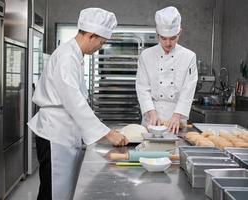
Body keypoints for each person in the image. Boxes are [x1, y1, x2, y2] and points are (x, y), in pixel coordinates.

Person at [27, 7, 129, 200]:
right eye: (101, 42)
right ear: (91, 36)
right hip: (54, 134)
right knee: (52, 191)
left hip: (62, 132)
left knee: (59, 189)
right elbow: (74, 102)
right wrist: (107, 133)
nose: (101, 47)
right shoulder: (67, 57)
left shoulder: (75, 55)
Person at [136, 6, 198, 134]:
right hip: (152, 117)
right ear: (157, 35)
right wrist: (151, 112)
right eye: (163, 38)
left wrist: (177, 115)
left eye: (173, 38)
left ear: (179, 33)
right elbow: (142, 88)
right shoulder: (146, 55)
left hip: (176, 119)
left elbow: (188, 89)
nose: (168, 43)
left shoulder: (189, 56)